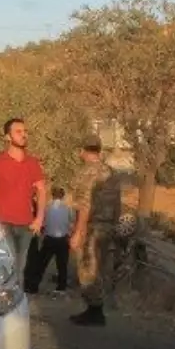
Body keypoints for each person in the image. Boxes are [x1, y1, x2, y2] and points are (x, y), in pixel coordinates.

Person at [69, 133, 122, 326]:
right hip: (108, 227)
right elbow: (117, 203)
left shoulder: (86, 172)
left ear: (82, 150)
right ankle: (96, 308)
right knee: (101, 267)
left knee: (87, 268)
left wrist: (78, 232)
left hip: (91, 227)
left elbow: (84, 204)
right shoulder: (111, 173)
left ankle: (94, 310)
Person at [0, 118, 47, 276]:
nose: (23, 135)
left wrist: (39, 219)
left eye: (25, 131)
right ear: (7, 137)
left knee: (20, 267)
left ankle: (17, 299)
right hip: (4, 224)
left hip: (26, 224)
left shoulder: (32, 163)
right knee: (7, 266)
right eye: (18, 132)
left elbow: (41, 190)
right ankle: (6, 298)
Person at [26, 187, 74, 294]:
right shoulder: (67, 208)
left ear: (52, 195)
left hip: (49, 239)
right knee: (62, 265)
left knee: (41, 264)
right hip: (62, 240)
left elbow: (43, 223)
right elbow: (70, 223)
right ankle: (61, 287)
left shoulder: (47, 208)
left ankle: (33, 286)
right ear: (63, 196)